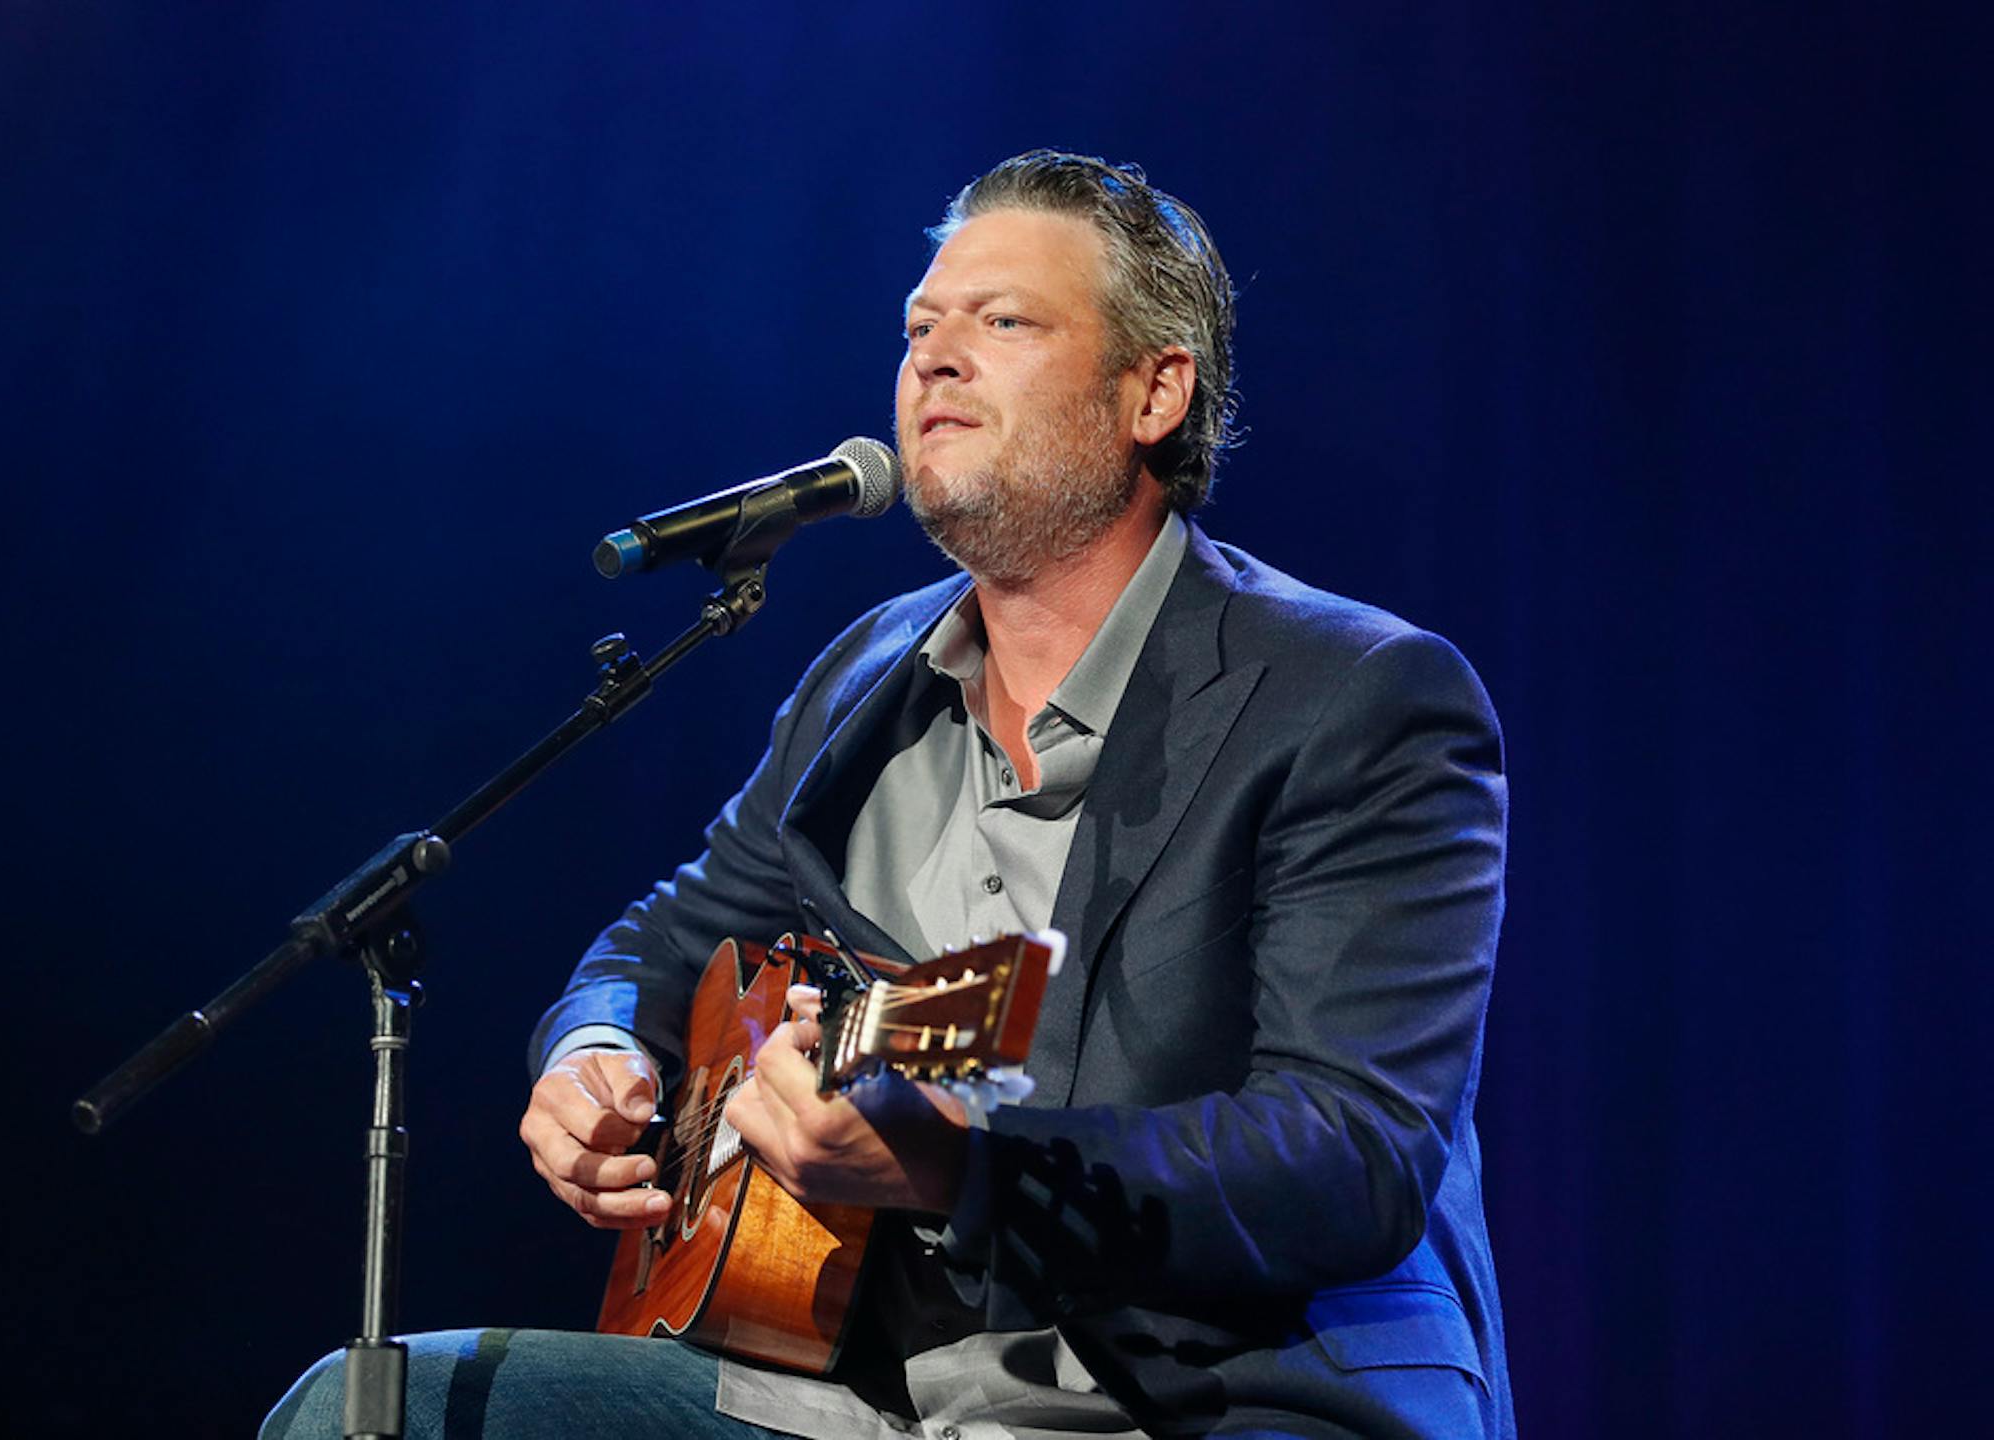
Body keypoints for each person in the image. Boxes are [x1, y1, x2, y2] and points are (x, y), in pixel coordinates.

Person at [265, 149, 1514, 1440]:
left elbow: (1350, 1155)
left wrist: (961, 1165)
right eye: (920, 328)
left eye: (1004, 322)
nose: (935, 358)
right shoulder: (867, 677)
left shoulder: (1362, 698)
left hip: (1215, 1402)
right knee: (366, 1413)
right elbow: (661, 940)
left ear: (1155, 391)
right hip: (872, 1400)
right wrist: (596, 1058)